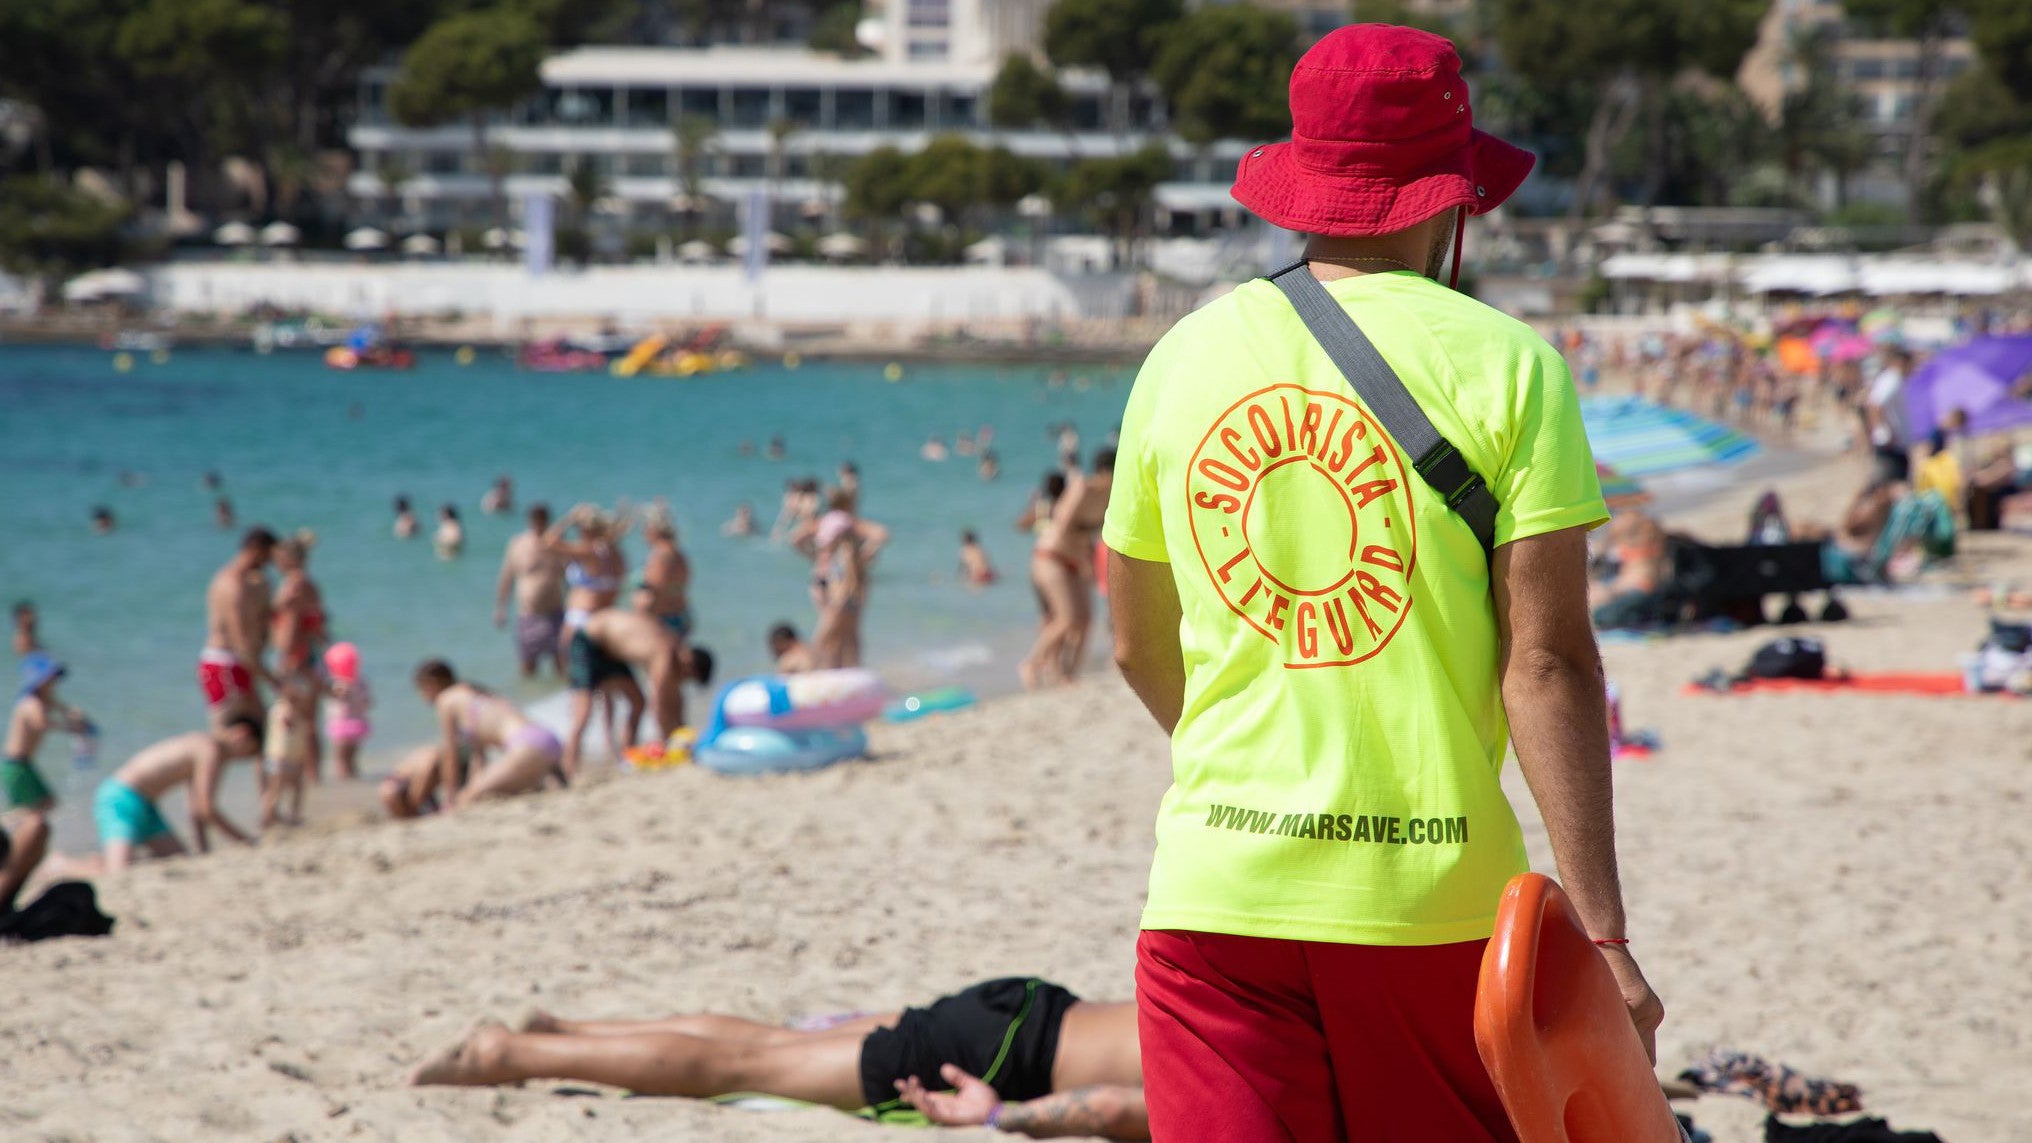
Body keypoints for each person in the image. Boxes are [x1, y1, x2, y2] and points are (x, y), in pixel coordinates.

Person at [1100, 25, 1658, 1141]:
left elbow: (1131, 640)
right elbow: (1543, 662)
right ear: (1449, 196)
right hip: (1428, 906)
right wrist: (1601, 937)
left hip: (1216, 894)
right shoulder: (1511, 365)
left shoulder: (1183, 356)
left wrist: (1252, 764)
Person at [410, 977, 1149, 1139]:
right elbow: (1118, 1107)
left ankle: (568, 1026)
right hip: (1002, 1059)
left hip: (1032, 1005)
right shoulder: (1261, 1116)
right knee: (743, 1068)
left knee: (774, 1043)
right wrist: (1001, 1116)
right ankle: (510, 1051)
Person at [94, 719, 264, 871]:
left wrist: (203, 850)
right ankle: (69, 865)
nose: (242, 760)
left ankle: (109, 858)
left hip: (147, 806)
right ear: (242, 734)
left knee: (179, 859)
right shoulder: (210, 749)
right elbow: (207, 808)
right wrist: (245, 841)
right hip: (121, 798)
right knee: (117, 871)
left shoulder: (199, 743)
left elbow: (195, 808)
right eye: (248, 753)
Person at [568, 609, 715, 773]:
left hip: (610, 651)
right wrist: (670, 742)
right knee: (583, 713)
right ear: (689, 664)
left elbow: (674, 698)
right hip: (589, 640)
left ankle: (626, 757)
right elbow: (659, 704)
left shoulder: (674, 651)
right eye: (688, 678)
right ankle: (569, 767)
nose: (683, 681)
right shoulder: (665, 655)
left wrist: (683, 731)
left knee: (637, 702)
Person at [413, 660, 564, 810]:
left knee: (467, 799)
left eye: (421, 689)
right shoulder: (476, 692)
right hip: (547, 740)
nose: (421, 696)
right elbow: (478, 757)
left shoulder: (446, 699)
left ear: (431, 683)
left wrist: (451, 799)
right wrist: (473, 786)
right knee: (479, 791)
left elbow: (450, 756)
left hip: (527, 746)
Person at [4, 654, 87, 909]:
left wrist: (71, 713)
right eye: (50, 679)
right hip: (17, 766)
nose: (53, 684)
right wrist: (72, 727)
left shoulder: (41, 699)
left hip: (22, 765)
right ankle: (20, 847)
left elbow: (56, 705)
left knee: (45, 804)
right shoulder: (31, 703)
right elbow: (41, 723)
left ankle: (23, 847)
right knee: (33, 813)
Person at [201, 527, 277, 728]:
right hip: (224, 663)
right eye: (267, 557)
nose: (268, 564)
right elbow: (240, 641)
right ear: (256, 551)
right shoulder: (232, 585)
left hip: (237, 663)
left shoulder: (249, 582)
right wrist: (271, 679)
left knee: (262, 729)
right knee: (225, 734)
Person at [495, 504, 568, 678]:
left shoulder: (557, 544)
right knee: (528, 667)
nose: (538, 525)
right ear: (530, 521)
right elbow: (507, 577)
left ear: (547, 521)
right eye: (535, 521)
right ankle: (528, 698)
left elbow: (570, 575)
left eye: (542, 521)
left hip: (555, 613)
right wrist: (500, 608)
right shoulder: (518, 544)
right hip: (528, 615)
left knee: (562, 664)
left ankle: (565, 698)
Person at [547, 505, 630, 643]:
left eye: (579, 528)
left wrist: (569, 519)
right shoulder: (616, 553)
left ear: (586, 530)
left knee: (574, 662)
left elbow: (549, 542)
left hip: (581, 617)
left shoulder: (588, 550)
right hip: (607, 615)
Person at [259, 679, 313, 828]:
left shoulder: (287, 710)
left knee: (295, 788)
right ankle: (268, 818)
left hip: (289, 757)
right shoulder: (284, 709)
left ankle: (290, 815)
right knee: (277, 790)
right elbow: (287, 722)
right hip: (281, 758)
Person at [638, 508, 694, 643]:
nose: (643, 534)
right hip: (681, 614)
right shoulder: (678, 553)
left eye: (645, 529)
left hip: (664, 619)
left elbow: (654, 590)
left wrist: (640, 619)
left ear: (654, 530)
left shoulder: (660, 554)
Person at [1865, 346, 1914, 483]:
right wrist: (1883, 431)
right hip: (1892, 443)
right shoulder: (1893, 380)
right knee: (1890, 485)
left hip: (1894, 442)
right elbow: (1875, 404)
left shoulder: (1889, 378)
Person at [377, 742, 463, 820]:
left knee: (408, 816)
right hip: (399, 785)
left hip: (399, 784)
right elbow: (417, 793)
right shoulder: (434, 759)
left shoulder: (434, 757)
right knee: (408, 813)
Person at [324, 667, 372, 781]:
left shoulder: (359, 681)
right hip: (341, 719)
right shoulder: (337, 682)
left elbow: (367, 699)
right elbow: (333, 694)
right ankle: (343, 771)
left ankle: (351, 769)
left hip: (354, 718)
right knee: (341, 750)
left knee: (352, 749)